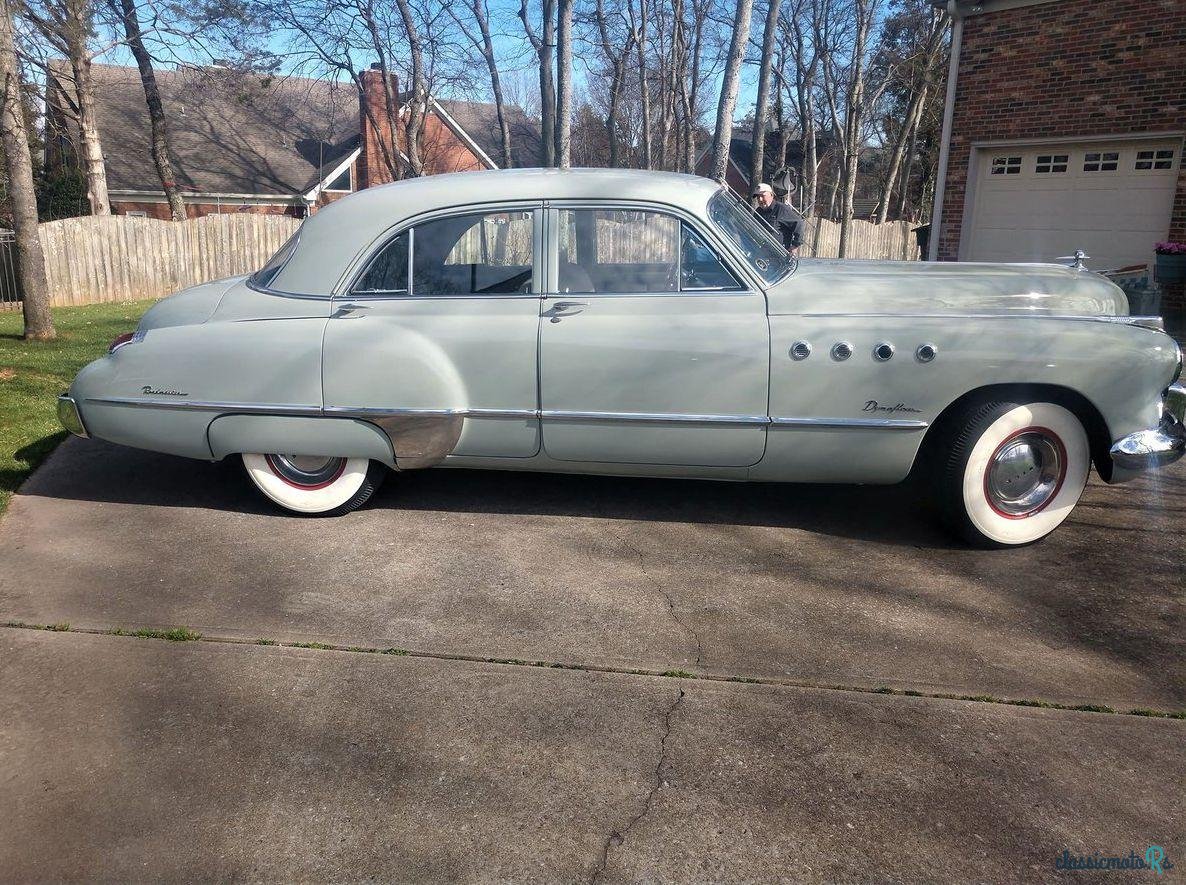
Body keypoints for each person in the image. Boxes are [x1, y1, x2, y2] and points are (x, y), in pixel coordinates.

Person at [752, 182, 803, 255]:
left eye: (763, 196)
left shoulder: (781, 209)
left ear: (771, 195)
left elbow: (799, 223)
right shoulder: (758, 212)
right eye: (758, 197)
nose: (760, 199)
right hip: (761, 254)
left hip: (780, 255)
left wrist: (795, 245)